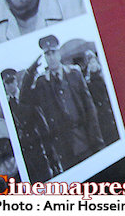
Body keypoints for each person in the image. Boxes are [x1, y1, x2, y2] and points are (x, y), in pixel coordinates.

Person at [19, 35, 104, 171]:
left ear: (58, 54)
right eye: (47, 54)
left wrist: (97, 141)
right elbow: (24, 99)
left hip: (85, 138)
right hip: (64, 149)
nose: (51, 57)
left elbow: (89, 107)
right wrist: (30, 72)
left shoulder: (74, 73)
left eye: (53, 52)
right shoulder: (42, 83)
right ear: (45, 57)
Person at [2, 68, 61, 180]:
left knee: (50, 174)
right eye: (7, 83)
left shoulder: (27, 97)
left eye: (12, 81)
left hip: (39, 143)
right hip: (26, 150)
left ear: (16, 81)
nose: (10, 85)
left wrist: (48, 145)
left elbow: (41, 121)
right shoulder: (8, 106)